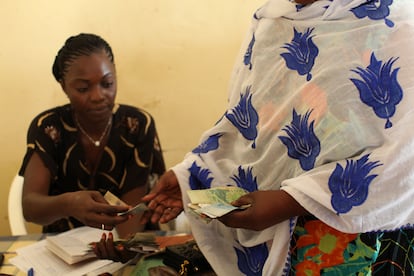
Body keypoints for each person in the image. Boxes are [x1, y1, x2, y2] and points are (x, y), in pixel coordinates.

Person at [97, 0, 414, 274]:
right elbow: (251, 126)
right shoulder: (274, 22)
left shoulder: (399, 30)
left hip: (361, 246)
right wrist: (189, 179)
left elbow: (404, 160)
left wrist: (288, 201)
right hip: (277, 235)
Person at [19, 33, 166, 240]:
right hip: (65, 249)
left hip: (130, 241)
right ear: (64, 86)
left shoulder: (137, 125)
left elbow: (132, 210)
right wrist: (68, 204)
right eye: (83, 88)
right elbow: (31, 207)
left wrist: (119, 250)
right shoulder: (48, 127)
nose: (98, 96)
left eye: (107, 84)